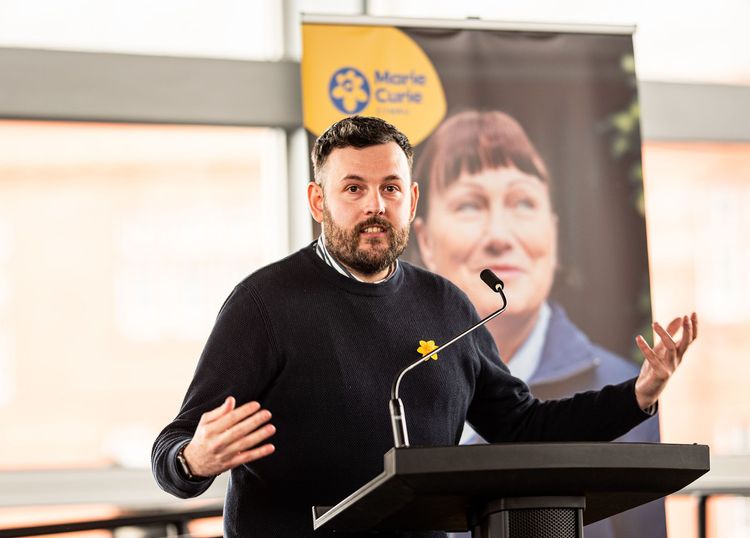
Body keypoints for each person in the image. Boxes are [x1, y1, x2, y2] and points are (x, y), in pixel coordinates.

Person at [151, 115, 698, 537]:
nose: (375, 206)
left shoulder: (447, 305)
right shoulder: (264, 304)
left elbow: (522, 427)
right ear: (319, 201)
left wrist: (639, 396)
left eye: (390, 188)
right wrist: (193, 459)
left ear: (411, 201)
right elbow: (174, 447)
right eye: (353, 189)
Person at [411, 109, 665, 538]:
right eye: (470, 204)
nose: (500, 235)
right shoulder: (400, 383)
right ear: (425, 240)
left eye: (523, 202)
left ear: (552, 234)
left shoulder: (625, 390)